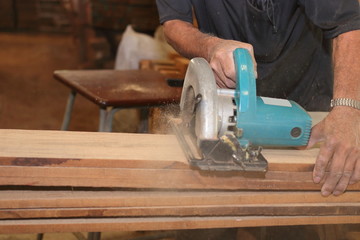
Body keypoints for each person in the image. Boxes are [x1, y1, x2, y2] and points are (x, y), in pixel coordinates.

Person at [156, 0, 360, 197]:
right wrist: (210, 47)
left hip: (308, 98)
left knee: (294, 211)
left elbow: (348, 23)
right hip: (225, 100)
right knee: (213, 208)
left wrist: (347, 110)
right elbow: (174, 24)